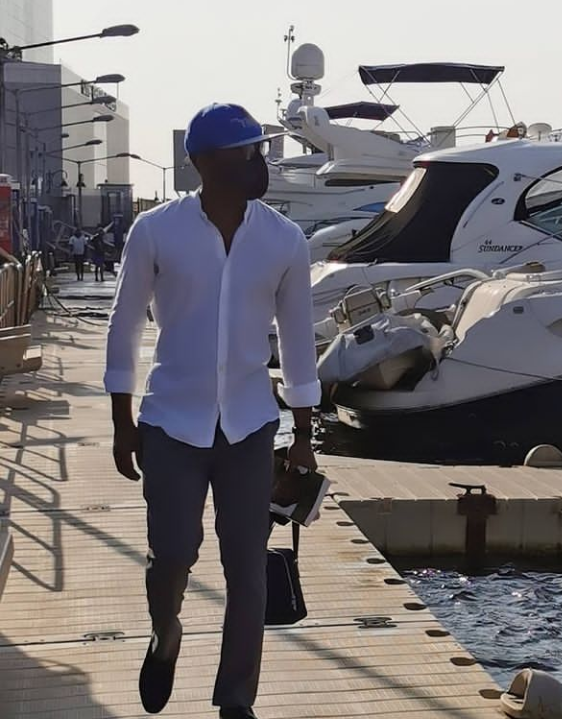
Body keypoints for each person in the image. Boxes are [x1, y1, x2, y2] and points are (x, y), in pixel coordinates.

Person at [104, 103, 320, 719]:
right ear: (204, 162)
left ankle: (234, 700)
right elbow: (124, 326)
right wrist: (122, 422)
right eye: (246, 151)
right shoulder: (156, 231)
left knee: (246, 568)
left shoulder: (284, 239)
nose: (259, 161)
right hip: (171, 422)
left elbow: (298, 339)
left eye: (259, 149)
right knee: (172, 554)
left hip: (250, 424)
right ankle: (165, 633)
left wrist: (304, 432)